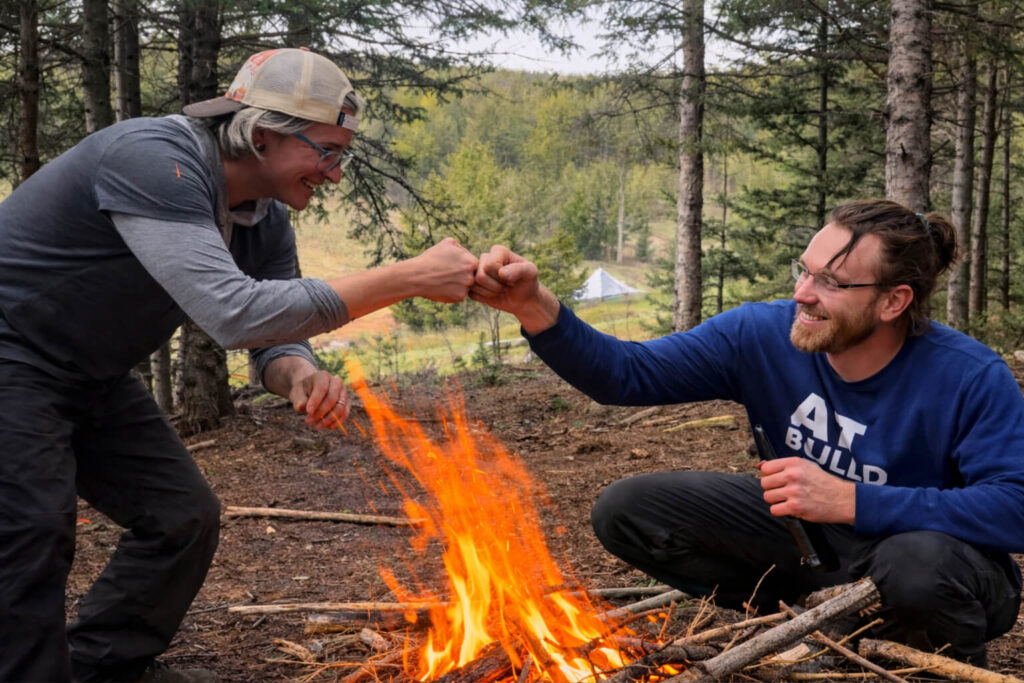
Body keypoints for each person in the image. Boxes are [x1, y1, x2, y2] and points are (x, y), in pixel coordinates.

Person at [0, 48, 478, 683]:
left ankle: (99, 668)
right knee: (32, 530)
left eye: (343, 155)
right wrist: (407, 277)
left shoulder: (262, 217)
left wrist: (298, 375)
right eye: (326, 152)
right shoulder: (151, 160)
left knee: (181, 519)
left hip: (89, 373)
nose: (335, 174)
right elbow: (233, 313)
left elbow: (272, 340)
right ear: (260, 135)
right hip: (11, 354)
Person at [471, 198, 1024, 666]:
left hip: (940, 560)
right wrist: (533, 306)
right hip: (817, 548)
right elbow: (625, 374)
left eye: (830, 282)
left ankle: (925, 658)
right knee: (630, 508)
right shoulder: (762, 334)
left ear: (892, 301)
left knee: (915, 566)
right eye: (804, 270)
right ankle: (814, 617)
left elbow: (1014, 508)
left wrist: (855, 500)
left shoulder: (967, 376)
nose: (804, 294)